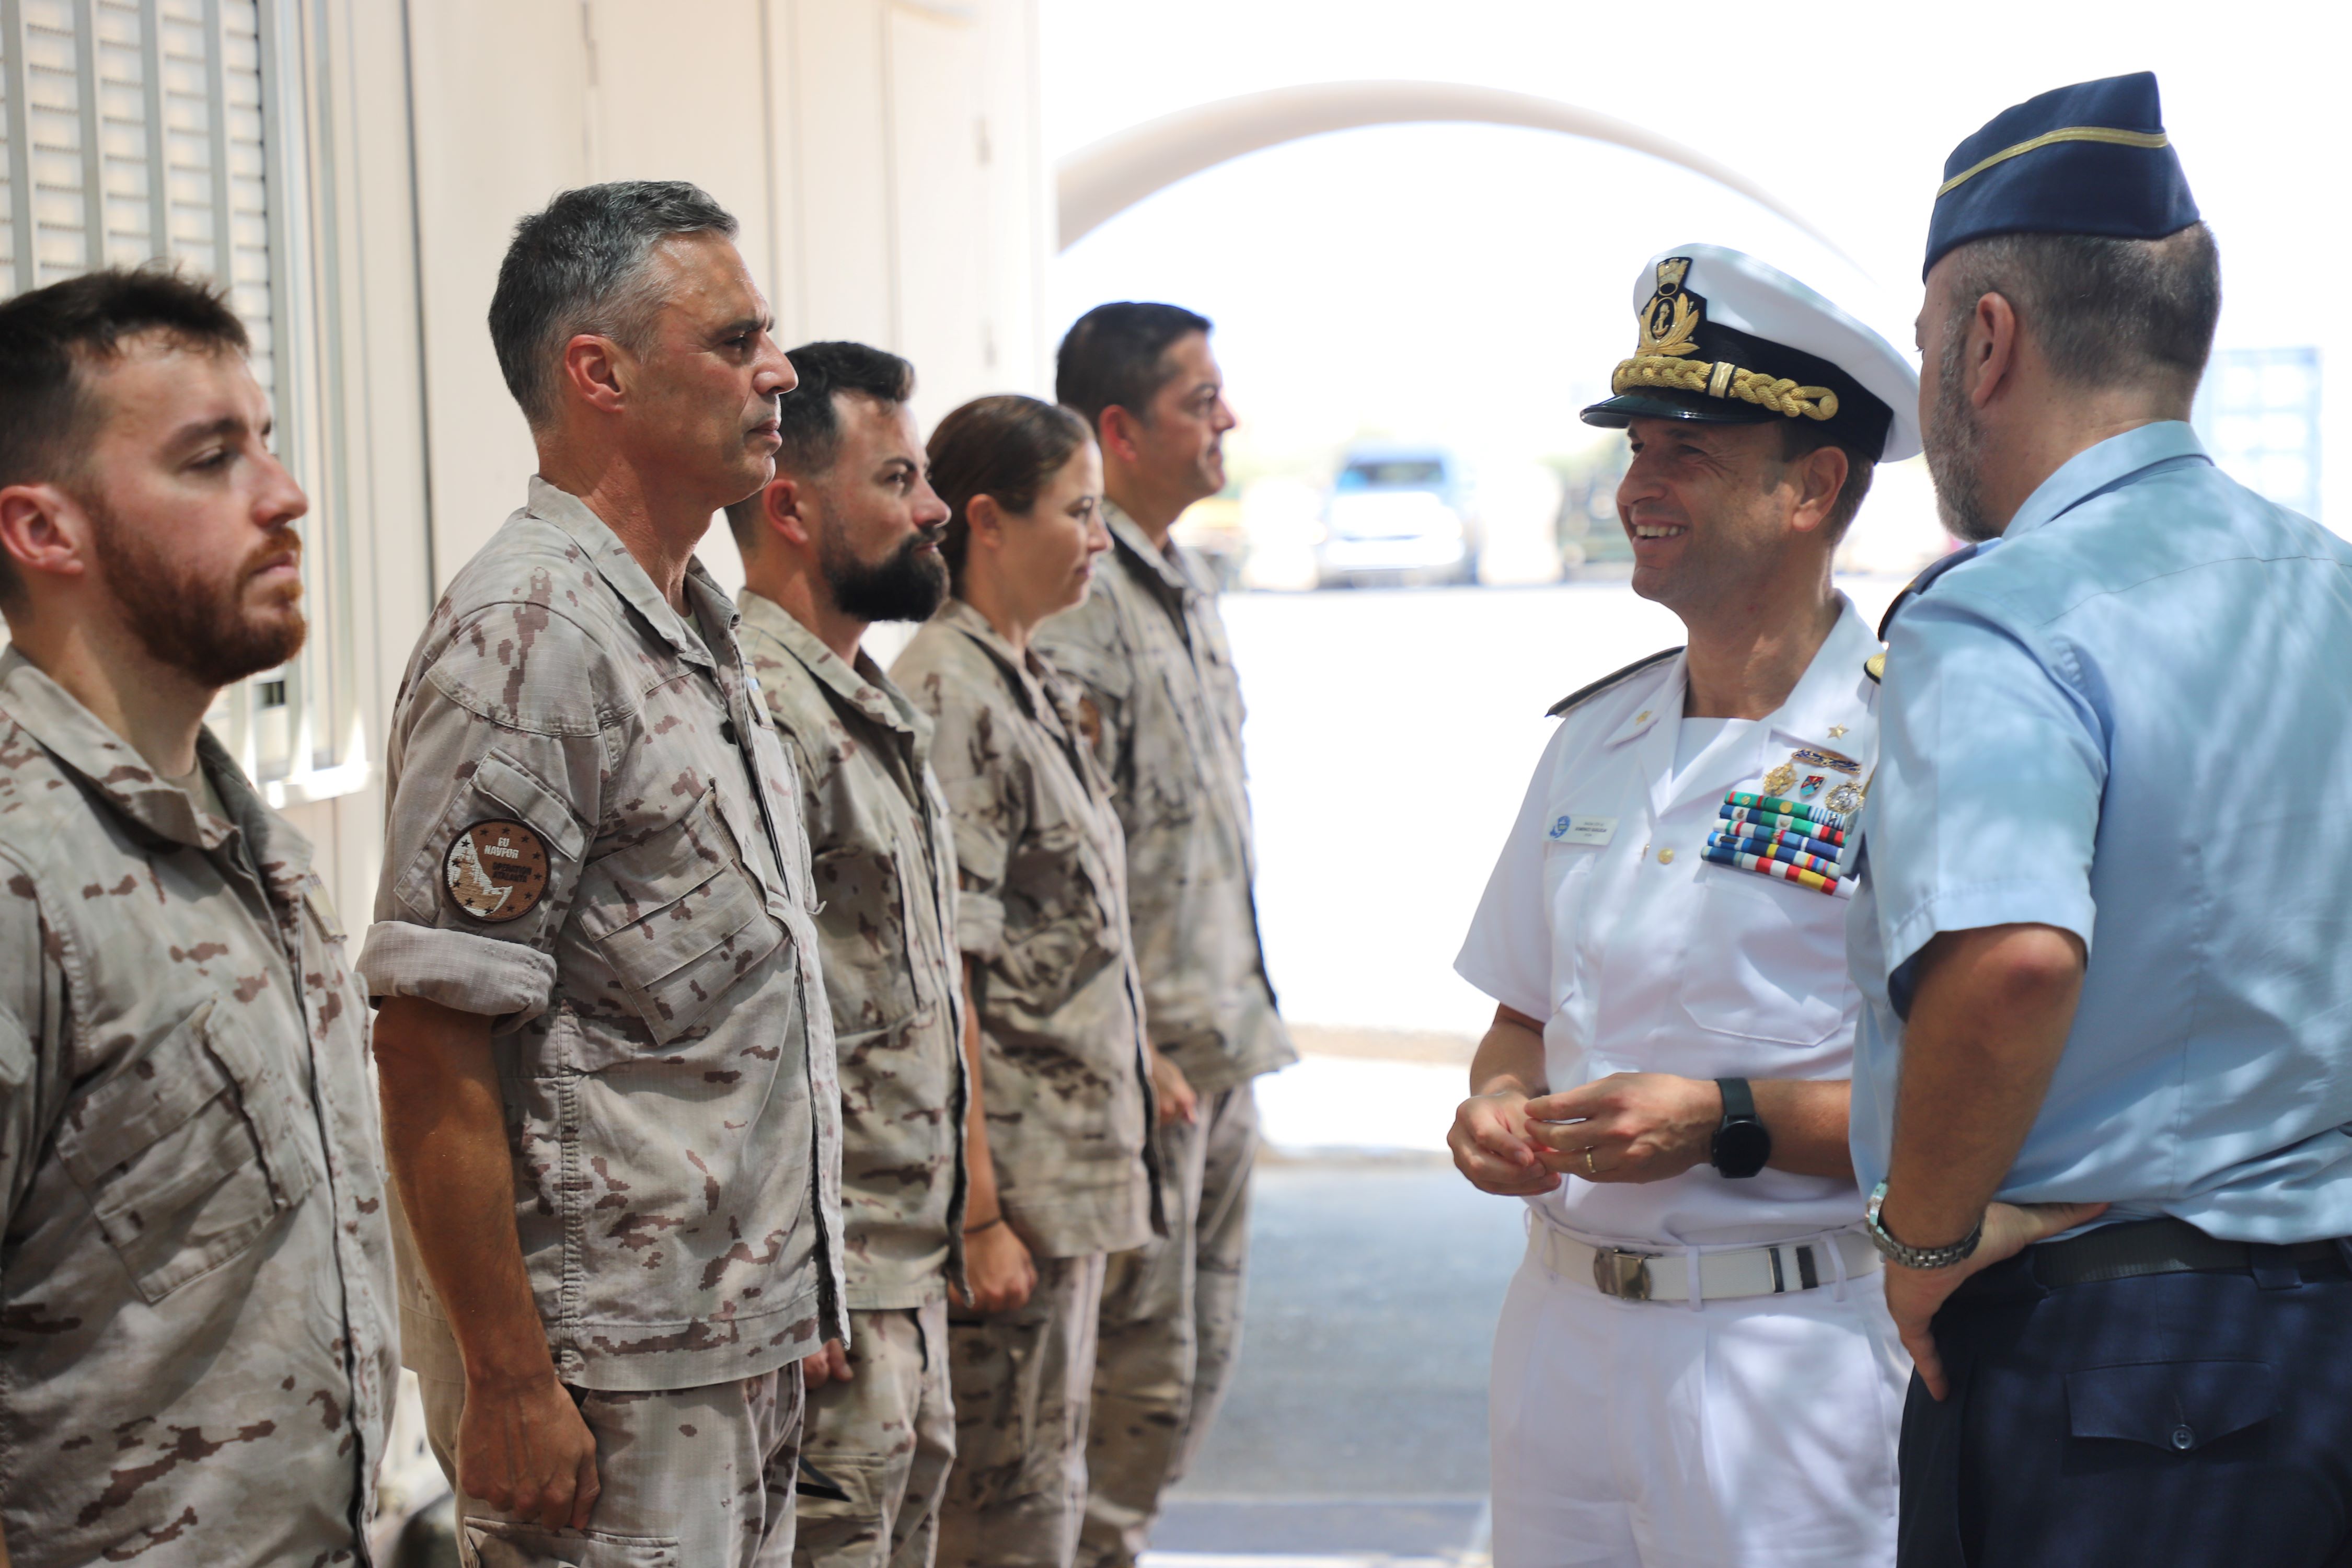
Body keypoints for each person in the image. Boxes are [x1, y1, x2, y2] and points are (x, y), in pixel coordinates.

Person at [1850, 72, 2352, 1566]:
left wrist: (1923, 1244)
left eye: (1932, 337)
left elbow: (2010, 960)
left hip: (2112, 1367)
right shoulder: (2324, 585)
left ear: (1985, 341)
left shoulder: (2002, 612)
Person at [360, 181, 844, 1565]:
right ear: (601, 373)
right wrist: (509, 1381)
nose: (780, 374)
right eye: (736, 339)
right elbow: (430, 1036)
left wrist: (784, 1299)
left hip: (716, 1346)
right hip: (603, 1379)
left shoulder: (688, 617)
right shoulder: (534, 635)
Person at [1448, 245, 1922, 1567]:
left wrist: (1724, 1124)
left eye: (1689, 453)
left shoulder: (1914, 740)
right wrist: (1495, 1107)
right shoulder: (1593, 739)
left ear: (1814, 485)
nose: (1637, 487)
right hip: (1560, 1340)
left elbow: (1967, 1092)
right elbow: (1522, 1018)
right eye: (1637, 448)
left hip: (1789, 1353)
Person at [0, 268, 395, 1565]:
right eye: (211, 458)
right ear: (44, 531)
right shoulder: (22, 870)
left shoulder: (243, 841)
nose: (282, 496)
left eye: (267, 443)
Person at [1035, 304, 1294, 1567]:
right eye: (1202, 399)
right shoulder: (1081, 609)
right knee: (1114, 1396)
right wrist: (1132, 1046)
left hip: (1217, 1043)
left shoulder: (1176, 583)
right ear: (1121, 430)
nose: (1228, 419)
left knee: (1184, 1375)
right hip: (1147, 1078)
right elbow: (1060, 870)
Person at [893, 395, 1161, 1568]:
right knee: (1002, 1526)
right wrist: (980, 1208)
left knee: (1049, 1493)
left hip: (1070, 1174)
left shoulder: (1022, 674)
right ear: (989, 523)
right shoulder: (950, 691)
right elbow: (941, 971)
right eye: (1080, 511)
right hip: (1021, 1194)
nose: (1100, 538)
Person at [722, 341, 970, 1568]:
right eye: (898, 480)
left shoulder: (858, 694)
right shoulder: (759, 707)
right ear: (791, 509)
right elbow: (741, 1024)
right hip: (834, 1292)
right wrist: (795, 1272)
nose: (932, 510)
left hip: (897, 1271)